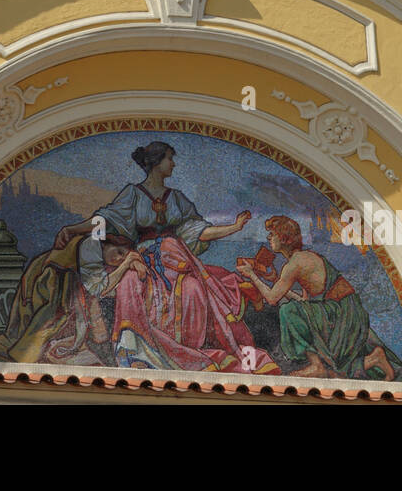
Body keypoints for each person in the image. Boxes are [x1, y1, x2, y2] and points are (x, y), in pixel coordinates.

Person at [53, 141, 278, 373]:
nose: (173, 163)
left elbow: (197, 231)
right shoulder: (133, 194)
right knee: (130, 282)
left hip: (178, 260)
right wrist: (73, 229)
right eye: (169, 158)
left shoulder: (177, 199)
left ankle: (189, 355)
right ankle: (137, 352)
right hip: (145, 260)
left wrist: (234, 227)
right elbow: (105, 220)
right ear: (156, 162)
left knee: (193, 288)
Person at [239, 215, 402, 380]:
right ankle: (374, 359)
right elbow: (305, 303)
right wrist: (275, 280)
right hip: (343, 310)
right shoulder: (303, 258)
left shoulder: (295, 263)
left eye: (272, 234)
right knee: (332, 369)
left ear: (284, 238)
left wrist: (251, 274)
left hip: (342, 312)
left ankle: (316, 365)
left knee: (287, 310)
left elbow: (272, 299)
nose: (269, 238)